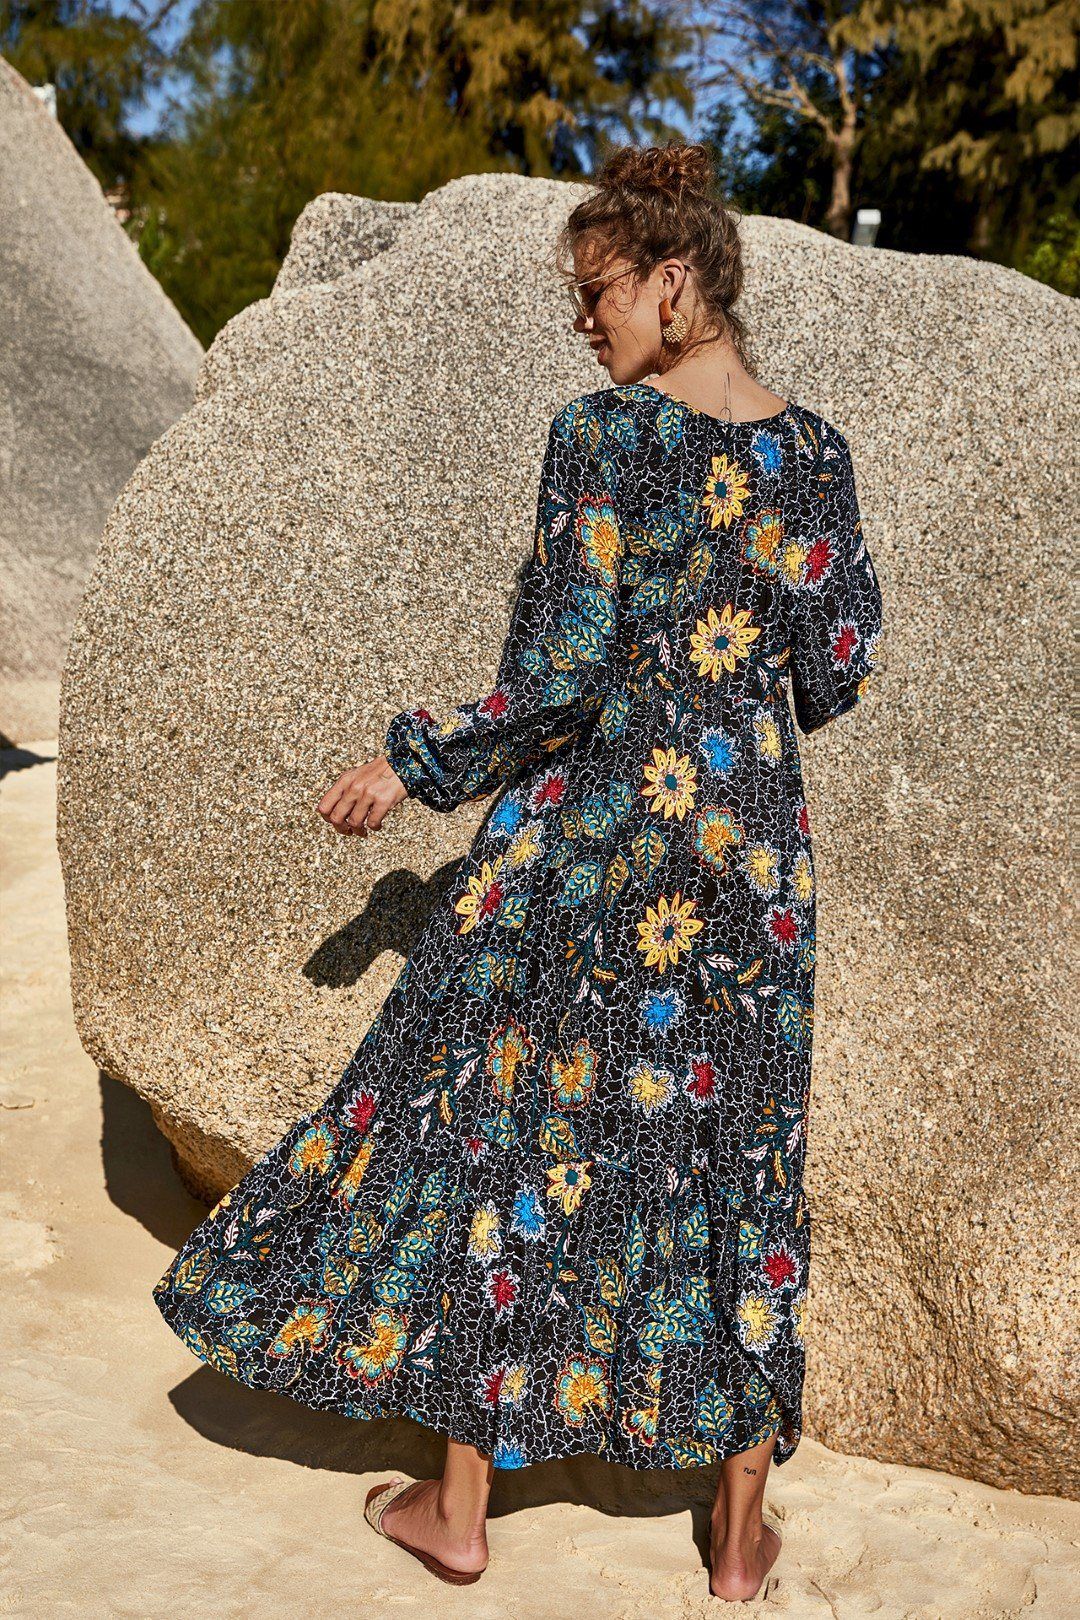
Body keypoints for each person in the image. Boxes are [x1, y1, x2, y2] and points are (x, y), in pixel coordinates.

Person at [152, 140, 883, 1603]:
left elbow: (558, 679)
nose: (584, 321)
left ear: (672, 283)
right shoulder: (817, 456)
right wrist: (728, 690)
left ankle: (460, 1510)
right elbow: (837, 666)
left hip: (602, 845)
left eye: (597, 292)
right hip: (751, 863)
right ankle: (740, 1542)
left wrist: (410, 763)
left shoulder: (602, 438)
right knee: (744, 1157)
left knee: (515, 1139)